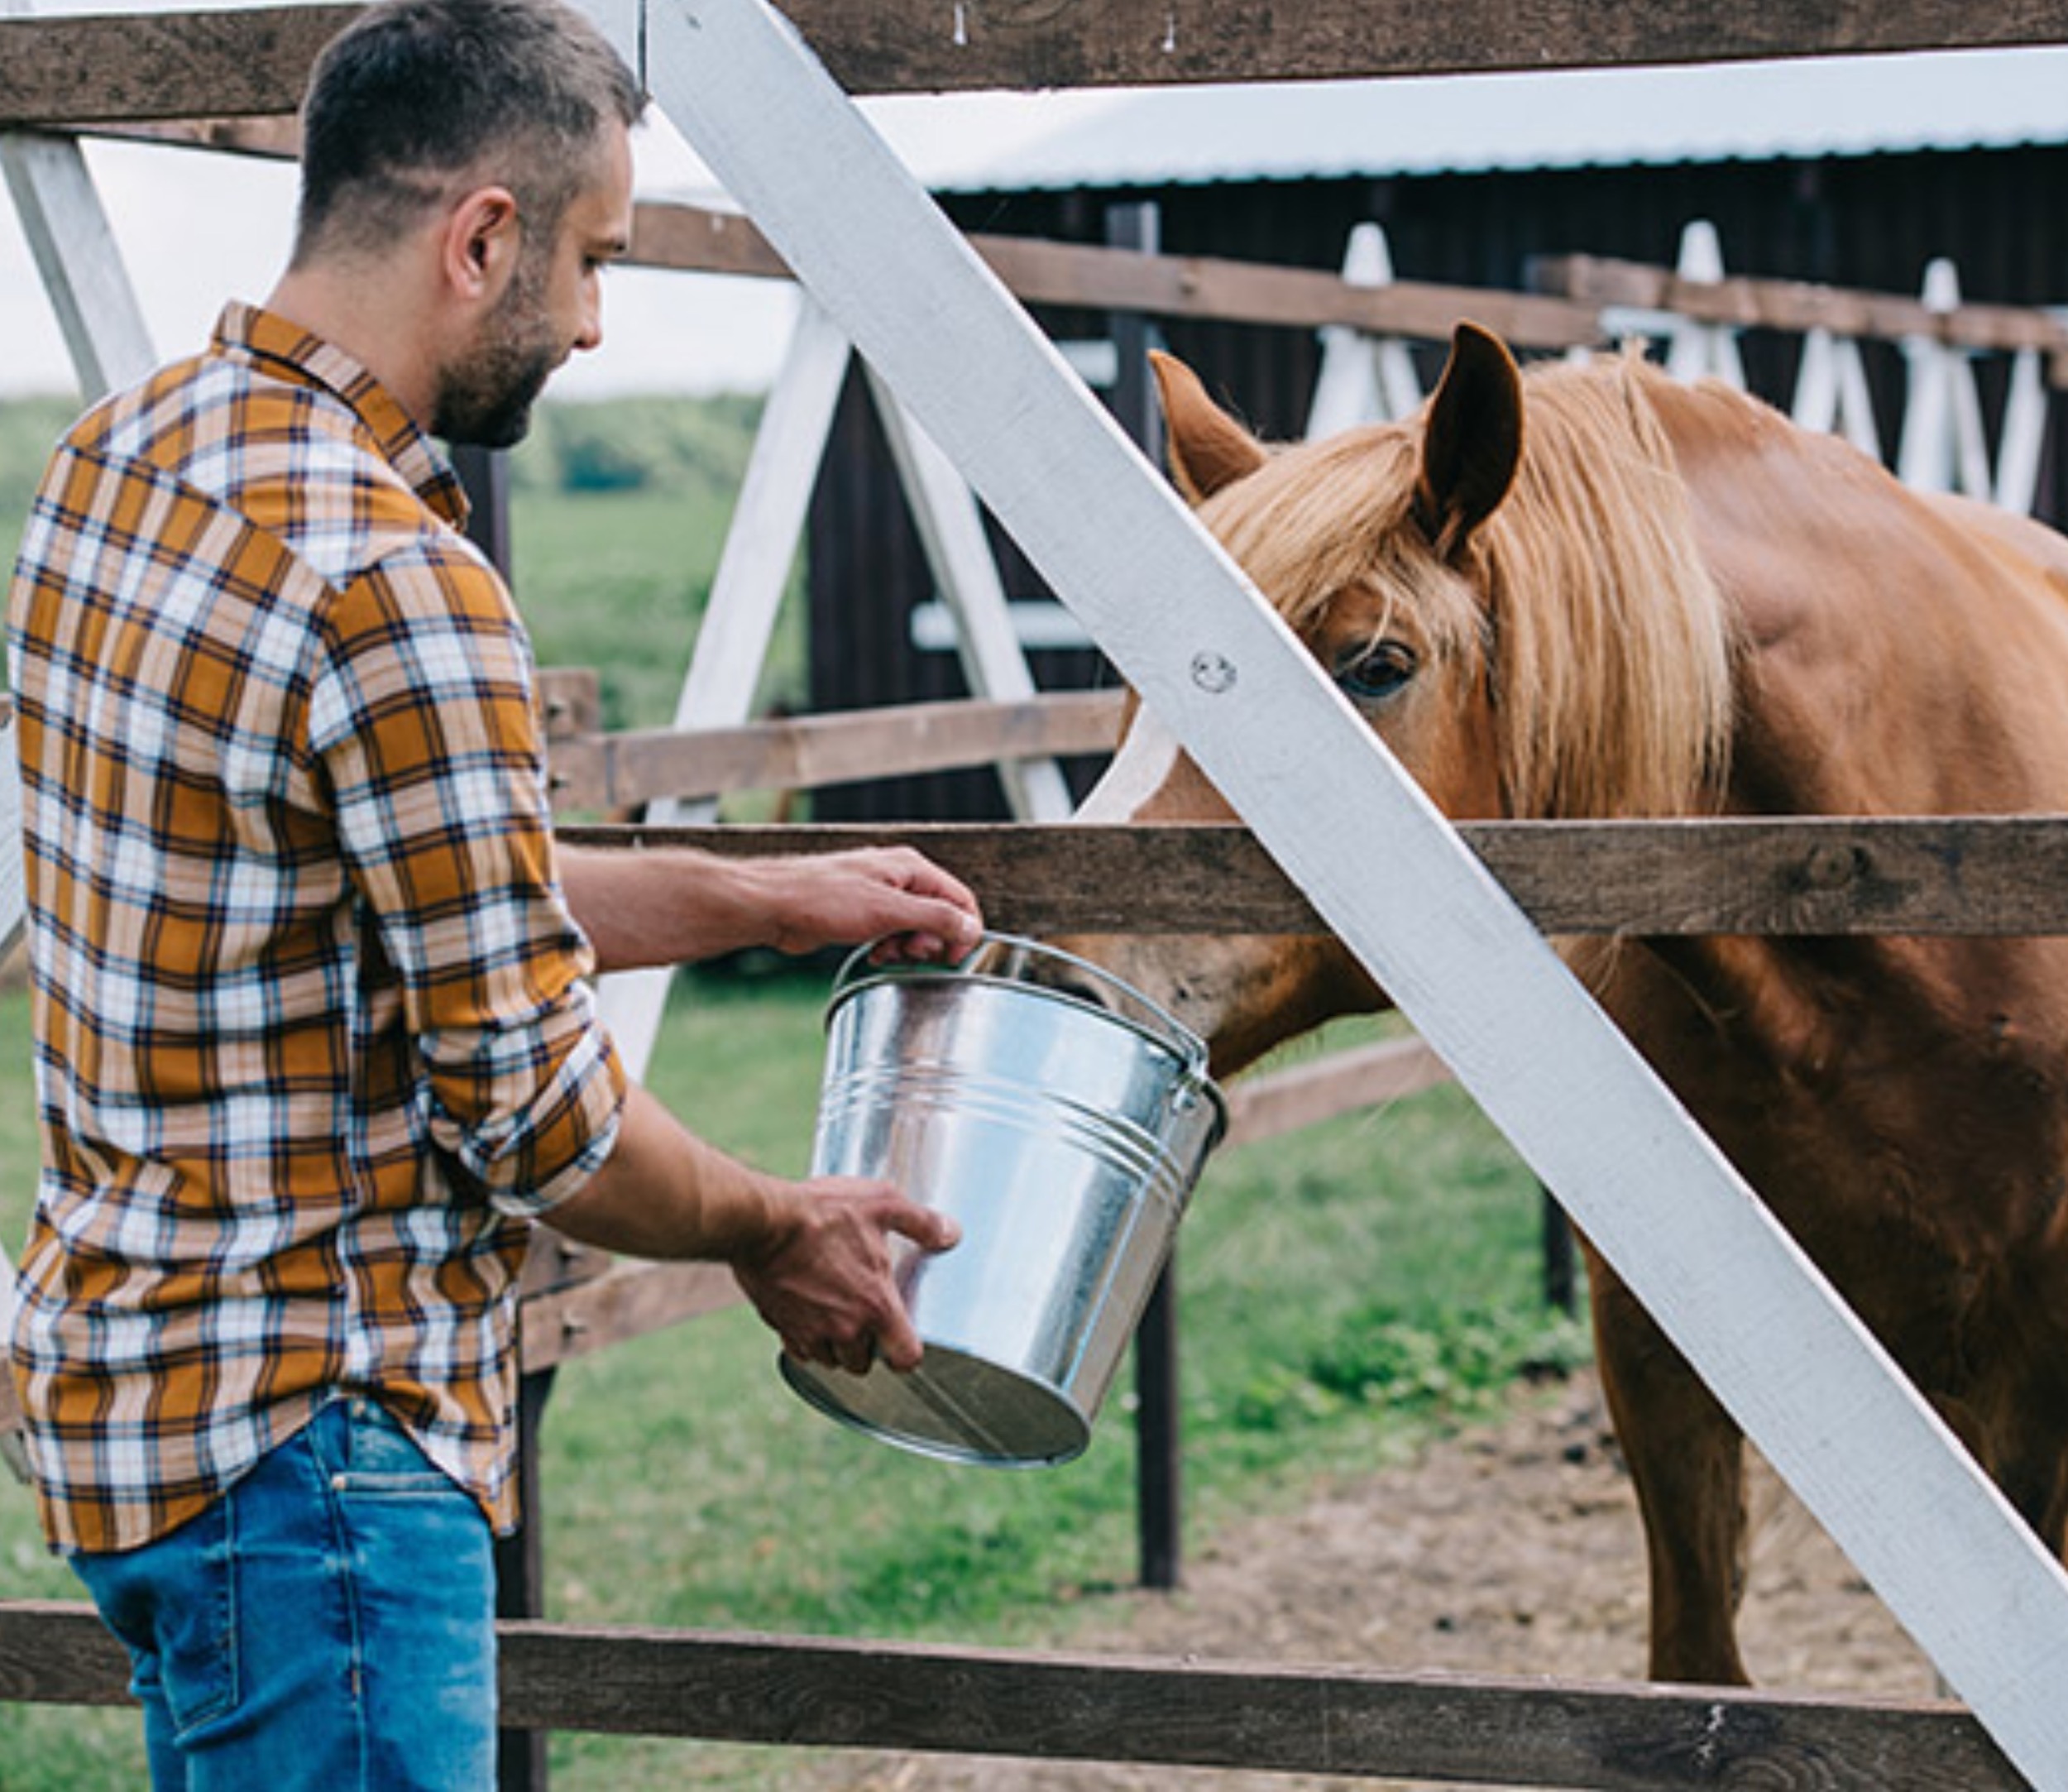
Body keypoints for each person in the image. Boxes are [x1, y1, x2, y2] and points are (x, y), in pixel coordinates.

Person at [2, 0, 984, 1783]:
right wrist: (776, 1225)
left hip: (140, 1406)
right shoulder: (392, 578)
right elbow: (542, 1124)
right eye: (593, 259)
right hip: (321, 1462)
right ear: (482, 238)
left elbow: (389, 888)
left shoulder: (124, 463)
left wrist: (754, 899)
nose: (598, 320)